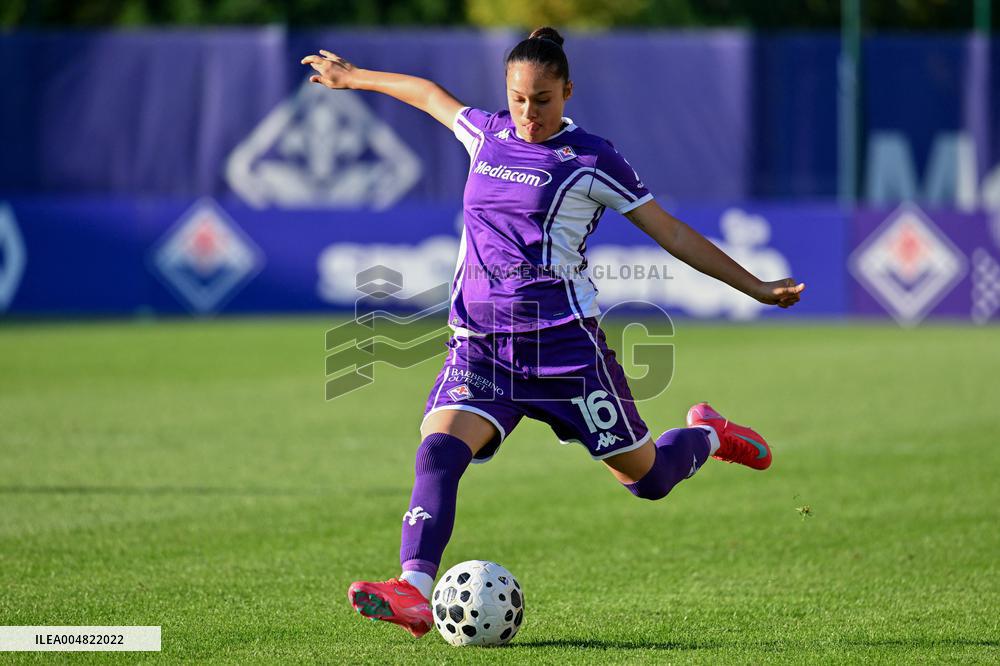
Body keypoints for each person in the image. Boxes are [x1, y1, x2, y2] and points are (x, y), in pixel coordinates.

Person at [302, 27, 805, 638]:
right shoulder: (485, 135)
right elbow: (429, 94)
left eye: (542, 99)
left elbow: (670, 232)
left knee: (647, 480)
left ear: (567, 91)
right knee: (437, 450)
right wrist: (352, 78)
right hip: (481, 348)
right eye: (518, 98)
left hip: (567, 353)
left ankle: (705, 435)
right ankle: (413, 589)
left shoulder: (591, 160)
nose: (529, 112)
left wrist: (755, 287)